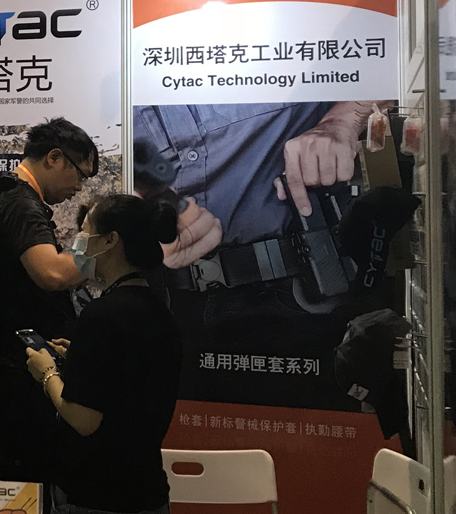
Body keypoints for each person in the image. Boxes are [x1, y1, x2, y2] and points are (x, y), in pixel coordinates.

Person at [133, 100, 376, 410]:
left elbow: (397, 78)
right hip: (170, 312)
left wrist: (342, 120)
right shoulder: (108, 87)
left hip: (303, 296)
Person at [24, 193, 183, 514]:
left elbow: (84, 419)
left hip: (98, 504)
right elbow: (128, 380)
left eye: (85, 231)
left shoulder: (102, 316)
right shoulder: (160, 311)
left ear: (111, 240)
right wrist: (78, 357)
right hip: (150, 498)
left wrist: (47, 373)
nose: (78, 241)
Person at [0, 118, 97, 482]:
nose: (79, 187)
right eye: (79, 174)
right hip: (17, 376)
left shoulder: (0, 195)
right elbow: (51, 273)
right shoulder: (20, 204)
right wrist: (103, 252)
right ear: (54, 158)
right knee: (23, 485)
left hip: (4, 366)